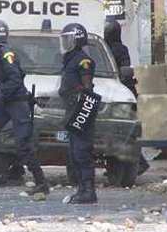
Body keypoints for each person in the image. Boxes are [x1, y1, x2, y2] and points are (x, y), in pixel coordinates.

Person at [0, 19, 49, 195]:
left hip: (17, 103)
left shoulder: (6, 54)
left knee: (23, 144)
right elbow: (2, 82)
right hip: (5, 102)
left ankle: (41, 182)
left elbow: (15, 80)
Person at [104, 20, 150, 175]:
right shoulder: (119, 48)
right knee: (124, 132)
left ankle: (138, 162)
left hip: (120, 94)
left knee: (124, 132)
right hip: (123, 94)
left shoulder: (110, 49)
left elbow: (125, 70)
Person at [59, 23, 97, 204]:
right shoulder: (69, 59)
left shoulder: (83, 60)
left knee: (82, 151)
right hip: (72, 109)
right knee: (74, 152)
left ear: (77, 40)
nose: (65, 43)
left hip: (81, 110)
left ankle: (89, 191)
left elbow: (87, 87)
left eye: (68, 39)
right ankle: (81, 189)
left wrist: (81, 109)